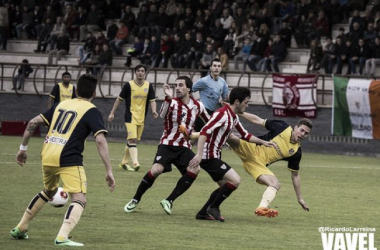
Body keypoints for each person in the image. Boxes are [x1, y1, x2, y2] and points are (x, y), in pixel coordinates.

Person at [10, 74, 115, 247]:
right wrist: (109, 170)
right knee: (80, 199)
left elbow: (33, 122)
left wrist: (23, 149)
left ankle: (20, 228)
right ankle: (62, 237)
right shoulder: (92, 110)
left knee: (49, 192)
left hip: (48, 155)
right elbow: (100, 140)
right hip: (69, 158)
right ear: (94, 93)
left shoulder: (61, 104)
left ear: (75, 90)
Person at [124, 76, 210, 214]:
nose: (177, 88)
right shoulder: (172, 102)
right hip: (167, 144)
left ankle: (169, 200)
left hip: (184, 147)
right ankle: (135, 199)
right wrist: (168, 98)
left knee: (195, 169)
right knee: (156, 170)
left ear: (189, 88)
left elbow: (210, 123)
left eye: (181, 85)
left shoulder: (198, 106)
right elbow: (162, 114)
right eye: (176, 85)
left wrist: (201, 134)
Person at [187, 87, 273, 222]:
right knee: (235, 180)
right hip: (208, 156)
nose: (248, 105)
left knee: (224, 186)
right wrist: (198, 154)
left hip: (213, 155)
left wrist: (263, 142)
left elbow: (245, 135)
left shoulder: (233, 117)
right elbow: (204, 132)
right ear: (237, 102)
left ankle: (203, 213)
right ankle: (213, 208)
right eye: (246, 102)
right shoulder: (222, 114)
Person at [227, 113, 312, 217]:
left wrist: (300, 198)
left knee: (275, 184)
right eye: (301, 130)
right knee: (227, 133)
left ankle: (262, 208)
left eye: (306, 133)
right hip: (251, 148)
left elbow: (295, 175)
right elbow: (258, 120)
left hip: (257, 165)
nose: (303, 134)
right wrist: (238, 111)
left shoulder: (296, 152)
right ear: (295, 128)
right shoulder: (282, 127)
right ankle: (204, 135)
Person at [108, 65, 158, 171]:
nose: (140, 73)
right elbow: (119, 99)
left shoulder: (148, 86)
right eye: (138, 71)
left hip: (141, 118)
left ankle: (124, 162)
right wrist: (112, 113)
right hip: (130, 117)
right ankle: (135, 163)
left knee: (133, 141)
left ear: (145, 73)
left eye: (142, 71)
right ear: (135, 72)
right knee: (133, 140)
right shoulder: (128, 85)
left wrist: (154, 111)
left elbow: (152, 100)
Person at [192, 58, 229, 132]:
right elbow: (190, 89)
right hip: (202, 111)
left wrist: (223, 100)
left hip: (213, 112)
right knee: (198, 133)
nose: (216, 68)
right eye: (214, 66)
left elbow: (225, 98)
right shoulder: (203, 81)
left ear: (221, 68)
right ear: (210, 68)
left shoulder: (223, 82)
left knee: (203, 135)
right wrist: (193, 102)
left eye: (219, 66)